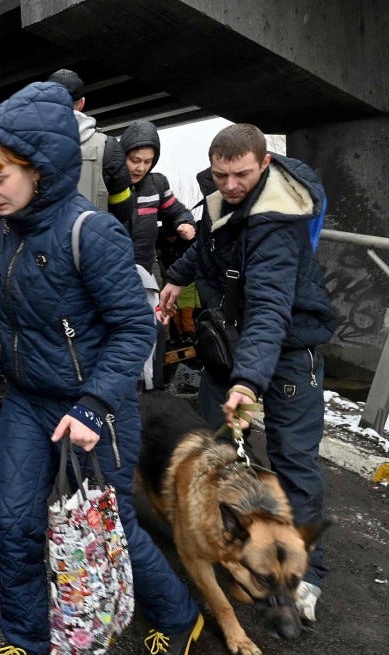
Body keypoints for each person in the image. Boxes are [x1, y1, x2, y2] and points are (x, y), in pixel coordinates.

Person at [0, 82, 203, 655]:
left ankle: (180, 614)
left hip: (95, 405)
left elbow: (136, 331)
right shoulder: (0, 226)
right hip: (29, 400)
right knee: (12, 517)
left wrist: (93, 402)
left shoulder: (93, 233)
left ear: (41, 167)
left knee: (109, 522)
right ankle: (26, 640)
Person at [159, 123, 338, 624]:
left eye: (240, 174)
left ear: (264, 164)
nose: (230, 185)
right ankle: (231, 545)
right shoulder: (222, 200)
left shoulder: (278, 221)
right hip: (233, 347)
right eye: (220, 175)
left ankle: (306, 576)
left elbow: (269, 309)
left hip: (283, 353)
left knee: (292, 462)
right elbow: (210, 247)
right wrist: (177, 278)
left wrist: (247, 382)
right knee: (220, 454)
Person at [120, 119, 197, 383]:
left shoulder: (157, 185)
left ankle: (153, 389)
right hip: (114, 273)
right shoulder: (108, 185)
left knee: (157, 330)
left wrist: (185, 222)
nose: (140, 167)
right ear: (123, 155)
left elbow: (178, 211)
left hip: (148, 272)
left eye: (147, 161)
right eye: (134, 159)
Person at [47, 68, 133, 225]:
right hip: (90, 247)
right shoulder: (108, 147)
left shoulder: (23, 143)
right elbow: (123, 210)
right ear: (82, 104)